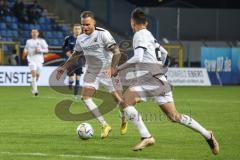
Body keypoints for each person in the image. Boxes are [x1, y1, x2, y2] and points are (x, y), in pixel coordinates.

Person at [116, 8, 219, 154]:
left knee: (126, 103)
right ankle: (207, 135)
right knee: (173, 116)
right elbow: (164, 54)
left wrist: (118, 68)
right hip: (156, 78)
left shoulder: (139, 34)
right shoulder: (150, 36)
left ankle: (147, 136)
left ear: (132, 22)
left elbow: (138, 57)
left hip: (151, 79)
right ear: (146, 23)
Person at [57, 11, 127, 138]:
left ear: (94, 23)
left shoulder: (103, 34)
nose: (85, 27)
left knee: (119, 100)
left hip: (108, 71)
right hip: (92, 72)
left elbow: (117, 52)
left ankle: (123, 119)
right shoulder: (81, 38)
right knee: (85, 98)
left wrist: (112, 68)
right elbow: (75, 55)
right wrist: (64, 67)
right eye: (83, 25)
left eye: (88, 24)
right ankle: (104, 125)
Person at [62, 24, 85, 100]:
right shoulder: (68, 38)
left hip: (79, 61)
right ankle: (70, 82)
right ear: (73, 30)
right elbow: (64, 48)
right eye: (75, 29)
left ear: (81, 30)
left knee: (78, 79)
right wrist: (67, 53)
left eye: (78, 29)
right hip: (70, 61)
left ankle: (75, 96)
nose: (77, 30)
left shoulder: (85, 39)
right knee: (72, 79)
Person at [23, 29, 48, 96]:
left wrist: (40, 50)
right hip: (31, 59)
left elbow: (46, 50)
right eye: (33, 32)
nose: (34, 33)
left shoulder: (42, 41)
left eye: (35, 32)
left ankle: (33, 85)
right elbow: (26, 48)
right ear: (31, 33)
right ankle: (35, 90)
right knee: (33, 73)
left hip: (39, 60)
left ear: (38, 33)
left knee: (37, 76)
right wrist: (25, 52)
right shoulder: (28, 41)